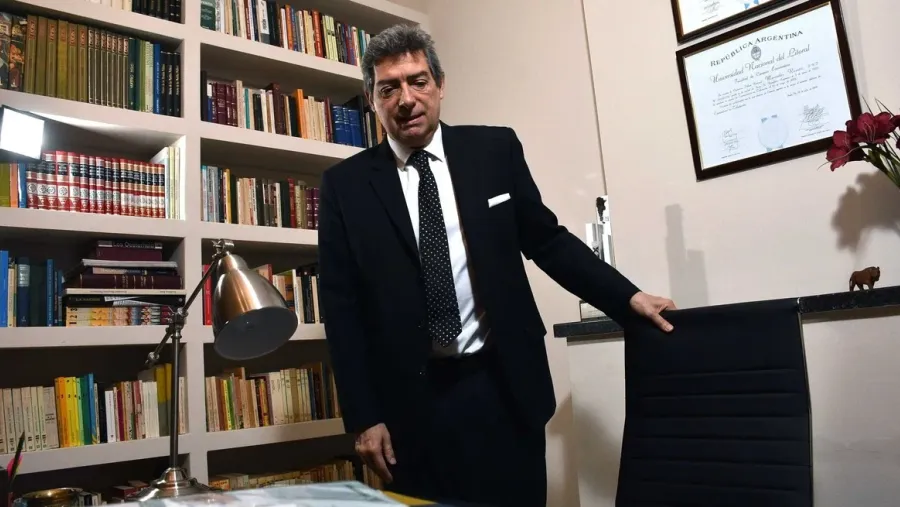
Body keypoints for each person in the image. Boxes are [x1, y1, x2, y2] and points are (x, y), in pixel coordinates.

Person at [317, 24, 676, 507]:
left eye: (418, 81)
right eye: (389, 88)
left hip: (504, 387)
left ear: (440, 85)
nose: (406, 99)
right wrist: (364, 416)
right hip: (409, 407)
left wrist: (627, 298)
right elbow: (342, 309)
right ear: (372, 99)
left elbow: (547, 241)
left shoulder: (493, 151)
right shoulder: (344, 186)